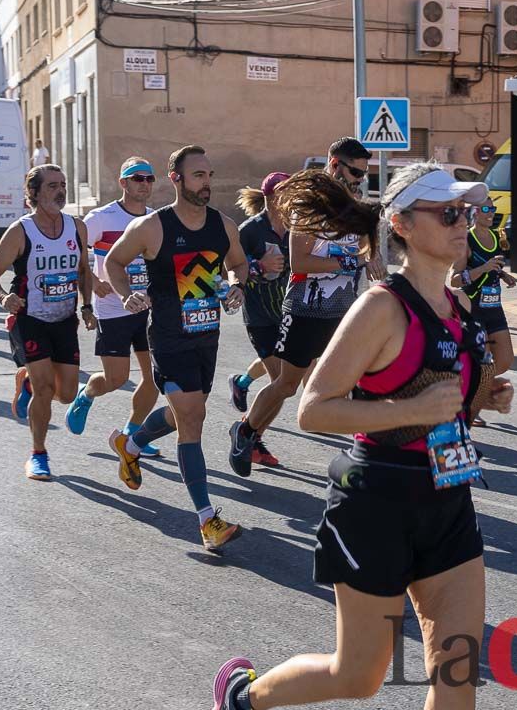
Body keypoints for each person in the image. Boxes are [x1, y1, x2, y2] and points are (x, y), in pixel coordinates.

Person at [210, 162, 514, 710]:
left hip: (449, 500)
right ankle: (244, 697)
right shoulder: (381, 306)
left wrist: (480, 399)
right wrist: (413, 407)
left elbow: (444, 400)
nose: (460, 223)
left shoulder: (459, 306)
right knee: (359, 675)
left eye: (464, 213)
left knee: (457, 677)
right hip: (375, 503)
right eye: (447, 213)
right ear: (401, 224)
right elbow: (313, 408)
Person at [103, 144, 247, 551]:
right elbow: (114, 263)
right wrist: (127, 295)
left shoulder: (223, 226)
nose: (207, 182)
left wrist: (236, 286)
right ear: (177, 179)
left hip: (207, 336)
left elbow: (239, 264)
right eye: (198, 175)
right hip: (168, 336)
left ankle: (129, 444)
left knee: (185, 410)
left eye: (209, 175)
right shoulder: (153, 227)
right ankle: (207, 520)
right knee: (193, 415)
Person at [228, 138, 385, 474]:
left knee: (360, 376)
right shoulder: (308, 206)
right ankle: (245, 430)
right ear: (334, 164)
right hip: (305, 311)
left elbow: (363, 245)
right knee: (286, 385)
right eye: (355, 171)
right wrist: (348, 262)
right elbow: (299, 261)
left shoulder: (353, 206)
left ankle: (371, 451)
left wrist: (372, 257)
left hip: (343, 311)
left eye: (364, 174)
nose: (359, 179)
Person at [0, 165, 95, 480]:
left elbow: (83, 271)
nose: (60, 191)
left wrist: (87, 307)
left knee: (69, 393)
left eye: (63, 184)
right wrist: (4, 297)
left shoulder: (76, 227)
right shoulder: (21, 231)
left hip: (64, 320)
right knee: (45, 389)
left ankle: (27, 380)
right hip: (29, 319)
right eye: (52, 186)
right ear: (34, 193)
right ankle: (38, 454)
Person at [63, 158, 161, 456]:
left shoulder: (154, 219)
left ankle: (132, 434)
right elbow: (72, 253)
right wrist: (93, 279)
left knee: (155, 377)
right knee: (116, 379)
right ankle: (88, 393)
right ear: (123, 183)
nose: (144, 184)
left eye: (149, 179)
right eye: (137, 178)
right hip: (112, 309)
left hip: (147, 310)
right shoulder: (101, 218)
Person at [226, 173, 292, 467]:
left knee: (284, 385)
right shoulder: (250, 230)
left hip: (289, 314)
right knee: (280, 383)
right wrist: (258, 266)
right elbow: (229, 267)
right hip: (260, 316)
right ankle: (246, 433)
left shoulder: (295, 229)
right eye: (285, 194)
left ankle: (252, 437)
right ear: (270, 198)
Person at [452, 198, 517, 426]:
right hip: (474, 308)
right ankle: (472, 405)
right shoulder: (466, 239)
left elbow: (493, 267)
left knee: (505, 360)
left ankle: (469, 387)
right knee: (485, 365)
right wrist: (483, 268)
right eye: (486, 209)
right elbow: (454, 279)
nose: (491, 213)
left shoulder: (494, 237)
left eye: (493, 209)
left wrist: (503, 275)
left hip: (494, 307)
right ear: (475, 213)